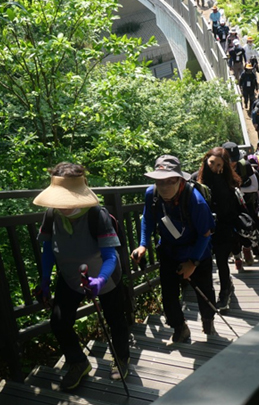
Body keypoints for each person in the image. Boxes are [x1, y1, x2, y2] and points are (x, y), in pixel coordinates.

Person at [35, 163, 130, 390]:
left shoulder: (97, 215)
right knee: (59, 322)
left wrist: (100, 280)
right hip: (69, 277)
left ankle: (120, 358)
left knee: (115, 319)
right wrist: (44, 281)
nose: (63, 205)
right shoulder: (51, 214)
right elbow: (48, 250)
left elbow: (110, 256)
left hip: (105, 278)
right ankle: (78, 362)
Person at [132, 155, 216, 342]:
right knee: (169, 293)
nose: (164, 186)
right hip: (170, 250)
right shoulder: (151, 195)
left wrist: (193, 263)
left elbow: (206, 233)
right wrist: (143, 244)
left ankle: (208, 321)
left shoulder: (195, 199)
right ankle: (179, 327)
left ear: (180, 179)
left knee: (205, 290)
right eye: (160, 181)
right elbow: (147, 219)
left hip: (198, 251)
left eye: (170, 181)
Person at [198, 147, 243, 309]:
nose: (214, 168)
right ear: (206, 160)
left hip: (223, 227)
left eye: (219, 165)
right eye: (212, 163)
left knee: (222, 260)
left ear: (224, 167)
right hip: (203, 228)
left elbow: (229, 208)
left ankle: (224, 292)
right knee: (210, 262)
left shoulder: (226, 183)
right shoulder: (197, 179)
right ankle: (217, 291)